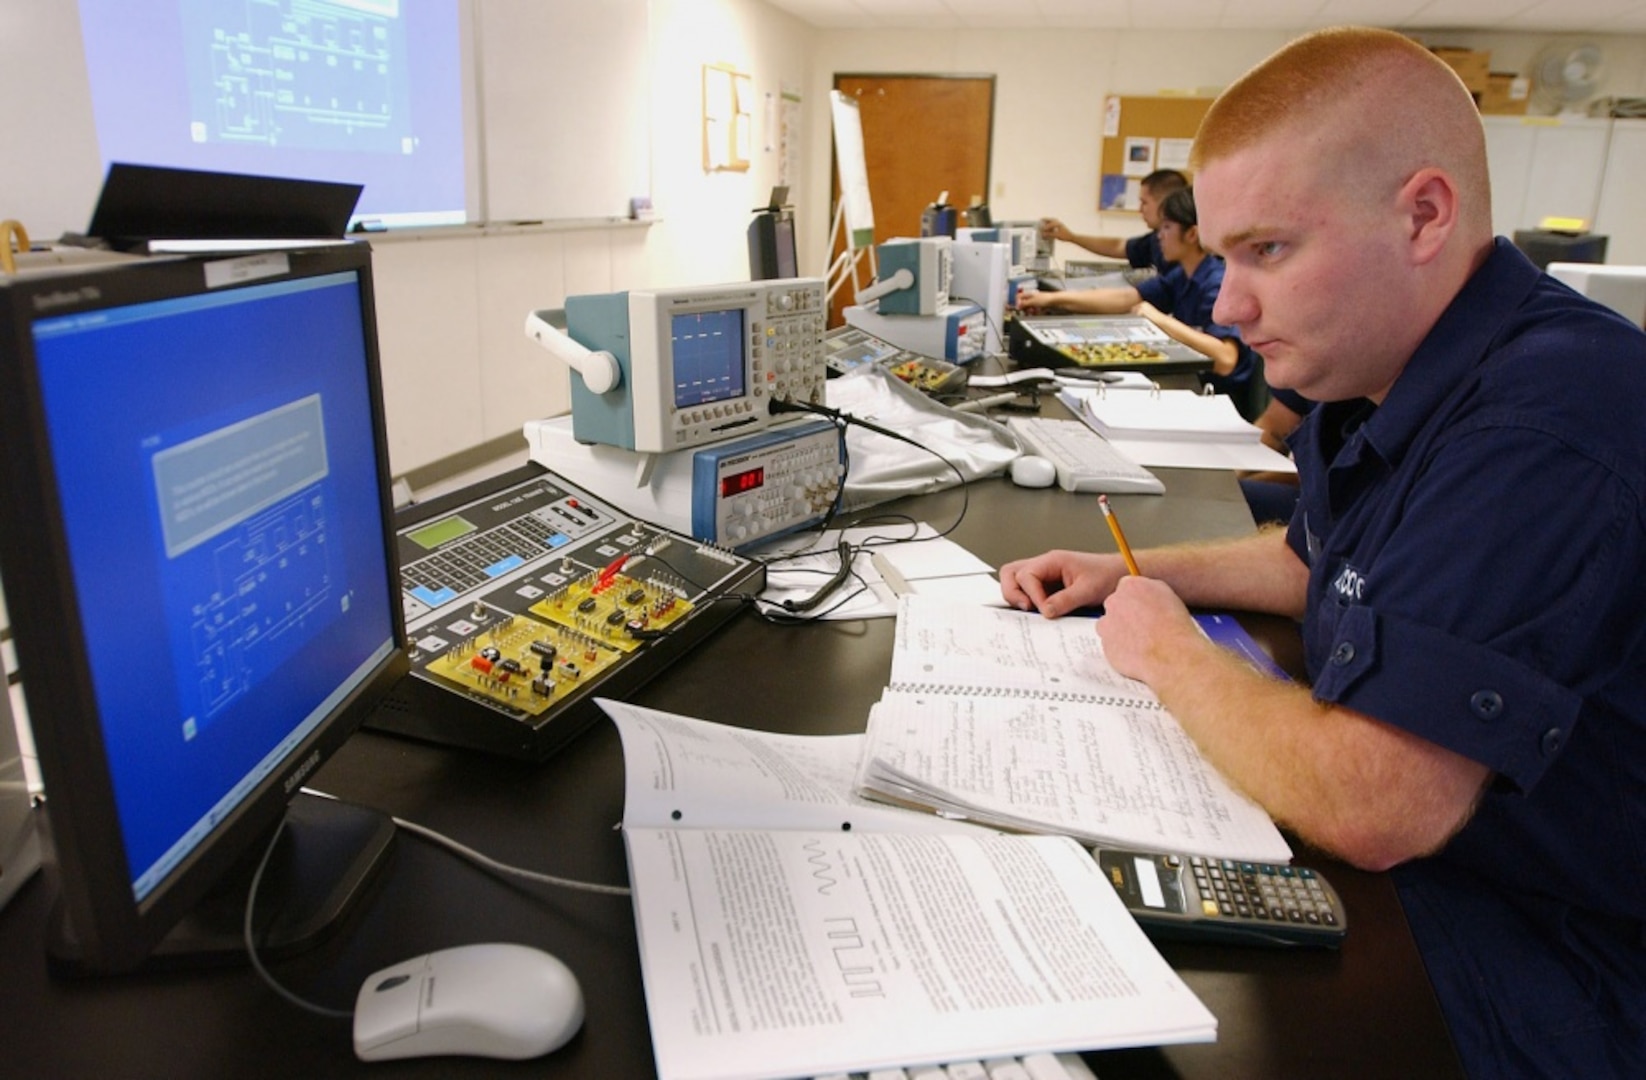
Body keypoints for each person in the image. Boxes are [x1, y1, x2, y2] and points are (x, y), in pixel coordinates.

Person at [1000, 26, 1646, 1079]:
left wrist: (1166, 651)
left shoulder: (1543, 424)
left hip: (1561, 952)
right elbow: (1316, 566)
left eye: (1267, 251)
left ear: (1423, 215)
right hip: (1471, 872)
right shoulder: (1386, 372)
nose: (1223, 304)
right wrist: (1137, 571)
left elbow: (1375, 803)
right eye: (1219, 257)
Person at [1018, 187, 1265, 419]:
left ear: (1192, 234)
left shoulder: (1215, 283)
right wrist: (1051, 298)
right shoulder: (1183, 275)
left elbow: (1225, 360)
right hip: (1195, 388)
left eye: (1167, 227)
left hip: (1219, 403)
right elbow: (1127, 298)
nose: (1159, 236)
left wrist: (1160, 320)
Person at [1040, 169, 1187, 275]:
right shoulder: (1156, 239)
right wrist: (1072, 237)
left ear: (1166, 203)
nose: (1140, 210)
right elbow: (1119, 246)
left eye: (1144, 203)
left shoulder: (1187, 256)